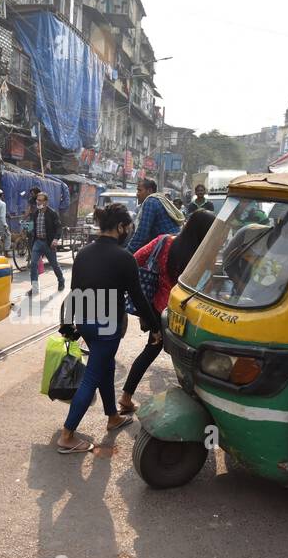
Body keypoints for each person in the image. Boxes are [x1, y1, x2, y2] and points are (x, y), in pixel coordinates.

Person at [56, 203, 158, 454]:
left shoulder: (83, 254)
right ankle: (67, 435)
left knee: (106, 368)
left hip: (85, 324)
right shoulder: (125, 258)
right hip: (107, 326)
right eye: (129, 228)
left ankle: (112, 416)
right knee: (93, 375)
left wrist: (68, 324)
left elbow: (74, 293)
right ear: (121, 227)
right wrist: (155, 327)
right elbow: (138, 297)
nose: (129, 233)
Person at [117, 209, 215, 414]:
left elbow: (135, 259)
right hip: (188, 316)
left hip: (158, 311)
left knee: (149, 352)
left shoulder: (164, 242)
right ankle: (198, 407)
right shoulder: (202, 256)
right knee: (194, 360)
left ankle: (126, 397)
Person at [128, 178, 184, 253]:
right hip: (173, 243)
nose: (137, 194)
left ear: (150, 191)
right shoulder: (158, 199)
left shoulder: (150, 201)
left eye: (139, 190)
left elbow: (142, 234)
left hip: (168, 246)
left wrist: (127, 251)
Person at [28, 188, 65, 293]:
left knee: (54, 264)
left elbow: (58, 227)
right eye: (37, 200)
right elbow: (33, 227)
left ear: (46, 202)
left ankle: (61, 281)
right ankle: (34, 288)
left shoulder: (52, 213)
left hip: (49, 243)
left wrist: (55, 239)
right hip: (37, 243)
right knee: (33, 264)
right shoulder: (36, 214)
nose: (38, 202)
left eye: (40, 200)